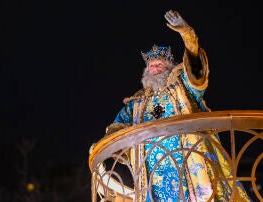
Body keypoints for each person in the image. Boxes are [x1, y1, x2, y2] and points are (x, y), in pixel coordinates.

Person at [101, 10, 251, 201]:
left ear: (169, 66)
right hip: (153, 173)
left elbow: (196, 71)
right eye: (151, 66)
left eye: (159, 64)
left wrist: (187, 34)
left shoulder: (182, 86)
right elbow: (118, 126)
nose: (154, 68)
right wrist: (103, 144)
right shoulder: (137, 103)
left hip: (189, 164)